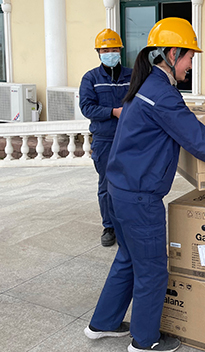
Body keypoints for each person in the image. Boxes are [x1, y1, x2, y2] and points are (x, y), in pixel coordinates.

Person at [83, 17, 205, 352]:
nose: (191, 64)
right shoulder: (161, 93)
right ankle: (145, 341)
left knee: (128, 258)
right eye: (189, 57)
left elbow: (177, 122)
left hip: (120, 191)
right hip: (139, 198)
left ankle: (103, 323)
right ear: (172, 53)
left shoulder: (146, 86)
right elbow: (196, 138)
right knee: (152, 270)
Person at [79, 29, 132, 247]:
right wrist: (113, 112)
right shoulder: (91, 78)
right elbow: (86, 107)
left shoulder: (132, 76)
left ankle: (128, 223)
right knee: (107, 184)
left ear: (120, 50)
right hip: (105, 140)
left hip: (130, 138)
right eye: (105, 50)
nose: (110, 53)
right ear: (98, 53)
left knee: (131, 182)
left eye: (113, 49)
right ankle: (109, 226)